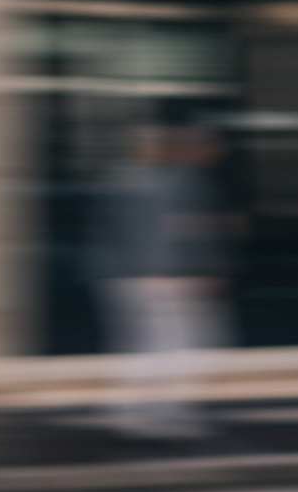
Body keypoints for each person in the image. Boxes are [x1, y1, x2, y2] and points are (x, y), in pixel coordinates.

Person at [90, 113, 226, 442]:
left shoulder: (141, 178)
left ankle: (156, 410)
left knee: (157, 345)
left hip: (140, 276)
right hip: (149, 278)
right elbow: (148, 234)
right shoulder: (145, 180)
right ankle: (151, 411)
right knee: (166, 346)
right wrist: (159, 272)